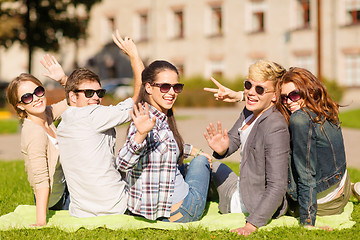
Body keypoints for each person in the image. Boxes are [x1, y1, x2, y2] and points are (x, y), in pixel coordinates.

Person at [56, 31, 144, 217]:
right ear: (72, 96)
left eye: (99, 93)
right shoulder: (94, 115)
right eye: (89, 93)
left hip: (81, 211)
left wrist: (65, 80)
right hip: (116, 206)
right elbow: (139, 98)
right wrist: (135, 57)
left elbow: (76, 99)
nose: (96, 98)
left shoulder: (64, 122)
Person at [116, 60, 212, 222]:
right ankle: (235, 200)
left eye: (177, 87)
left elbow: (166, 144)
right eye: (165, 87)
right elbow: (123, 164)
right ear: (148, 88)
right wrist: (140, 134)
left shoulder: (160, 118)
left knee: (200, 159)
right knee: (202, 162)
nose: (172, 92)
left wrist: (193, 150)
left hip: (155, 210)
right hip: (182, 211)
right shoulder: (144, 121)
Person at [203, 60, 290, 236]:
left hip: (247, 204)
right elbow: (234, 140)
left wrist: (251, 225)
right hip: (242, 187)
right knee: (205, 162)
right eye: (248, 85)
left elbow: (277, 185)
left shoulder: (275, 126)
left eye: (259, 89)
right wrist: (222, 148)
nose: (250, 92)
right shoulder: (250, 111)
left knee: (200, 166)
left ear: (275, 95)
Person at [276, 67, 351, 228]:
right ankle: (354, 188)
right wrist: (241, 96)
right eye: (284, 98)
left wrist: (308, 221)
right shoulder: (324, 108)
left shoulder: (300, 119)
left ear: (309, 91)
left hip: (325, 203)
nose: (289, 101)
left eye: (294, 95)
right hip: (340, 188)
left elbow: (306, 173)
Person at [6, 55, 69, 226]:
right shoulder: (34, 132)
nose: (36, 98)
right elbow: (40, 179)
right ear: (20, 105)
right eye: (27, 97)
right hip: (56, 200)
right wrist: (41, 220)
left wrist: (64, 80)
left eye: (38, 91)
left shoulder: (46, 114)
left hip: (67, 188)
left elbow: (76, 99)